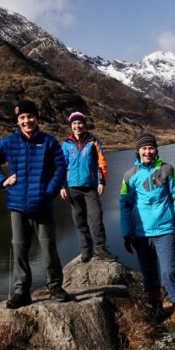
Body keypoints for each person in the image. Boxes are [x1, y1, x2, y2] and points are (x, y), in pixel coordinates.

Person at [0, 99, 71, 308]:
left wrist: (49, 192)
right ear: (18, 121)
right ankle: (21, 291)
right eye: (22, 118)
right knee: (20, 249)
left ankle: (55, 286)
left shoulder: (49, 142)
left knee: (48, 246)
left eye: (30, 117)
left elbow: (61, 168)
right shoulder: (8, 142)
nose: (26, 121)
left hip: (42, 205)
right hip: (17, 205)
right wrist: (2, 180)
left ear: (37, 119)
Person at [119, 132, 175, 336]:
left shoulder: (168, 170)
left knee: (168, 272)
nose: (147, 151)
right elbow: (125, 205)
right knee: (149, 273)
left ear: (156, 150)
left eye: (150, 148)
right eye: (143, 148)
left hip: (164, 230)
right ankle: (156, 308)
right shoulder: (129, 176)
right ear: (138, 151)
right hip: (141, 233)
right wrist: (127, 233)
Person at [60, 111, 116, 263]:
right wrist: (62, 186)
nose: (77, 126)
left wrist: (101, 182)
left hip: (90, 187)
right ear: (71, 126)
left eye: (80, 123)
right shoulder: (66, 144)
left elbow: (101, 163)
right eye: (74, 124)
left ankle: (100, 248)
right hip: (72, 188)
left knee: (96, 217)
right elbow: (62, 166)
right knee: (79, 220)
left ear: (84, 125)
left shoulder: (94, 141)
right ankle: (86, 249)